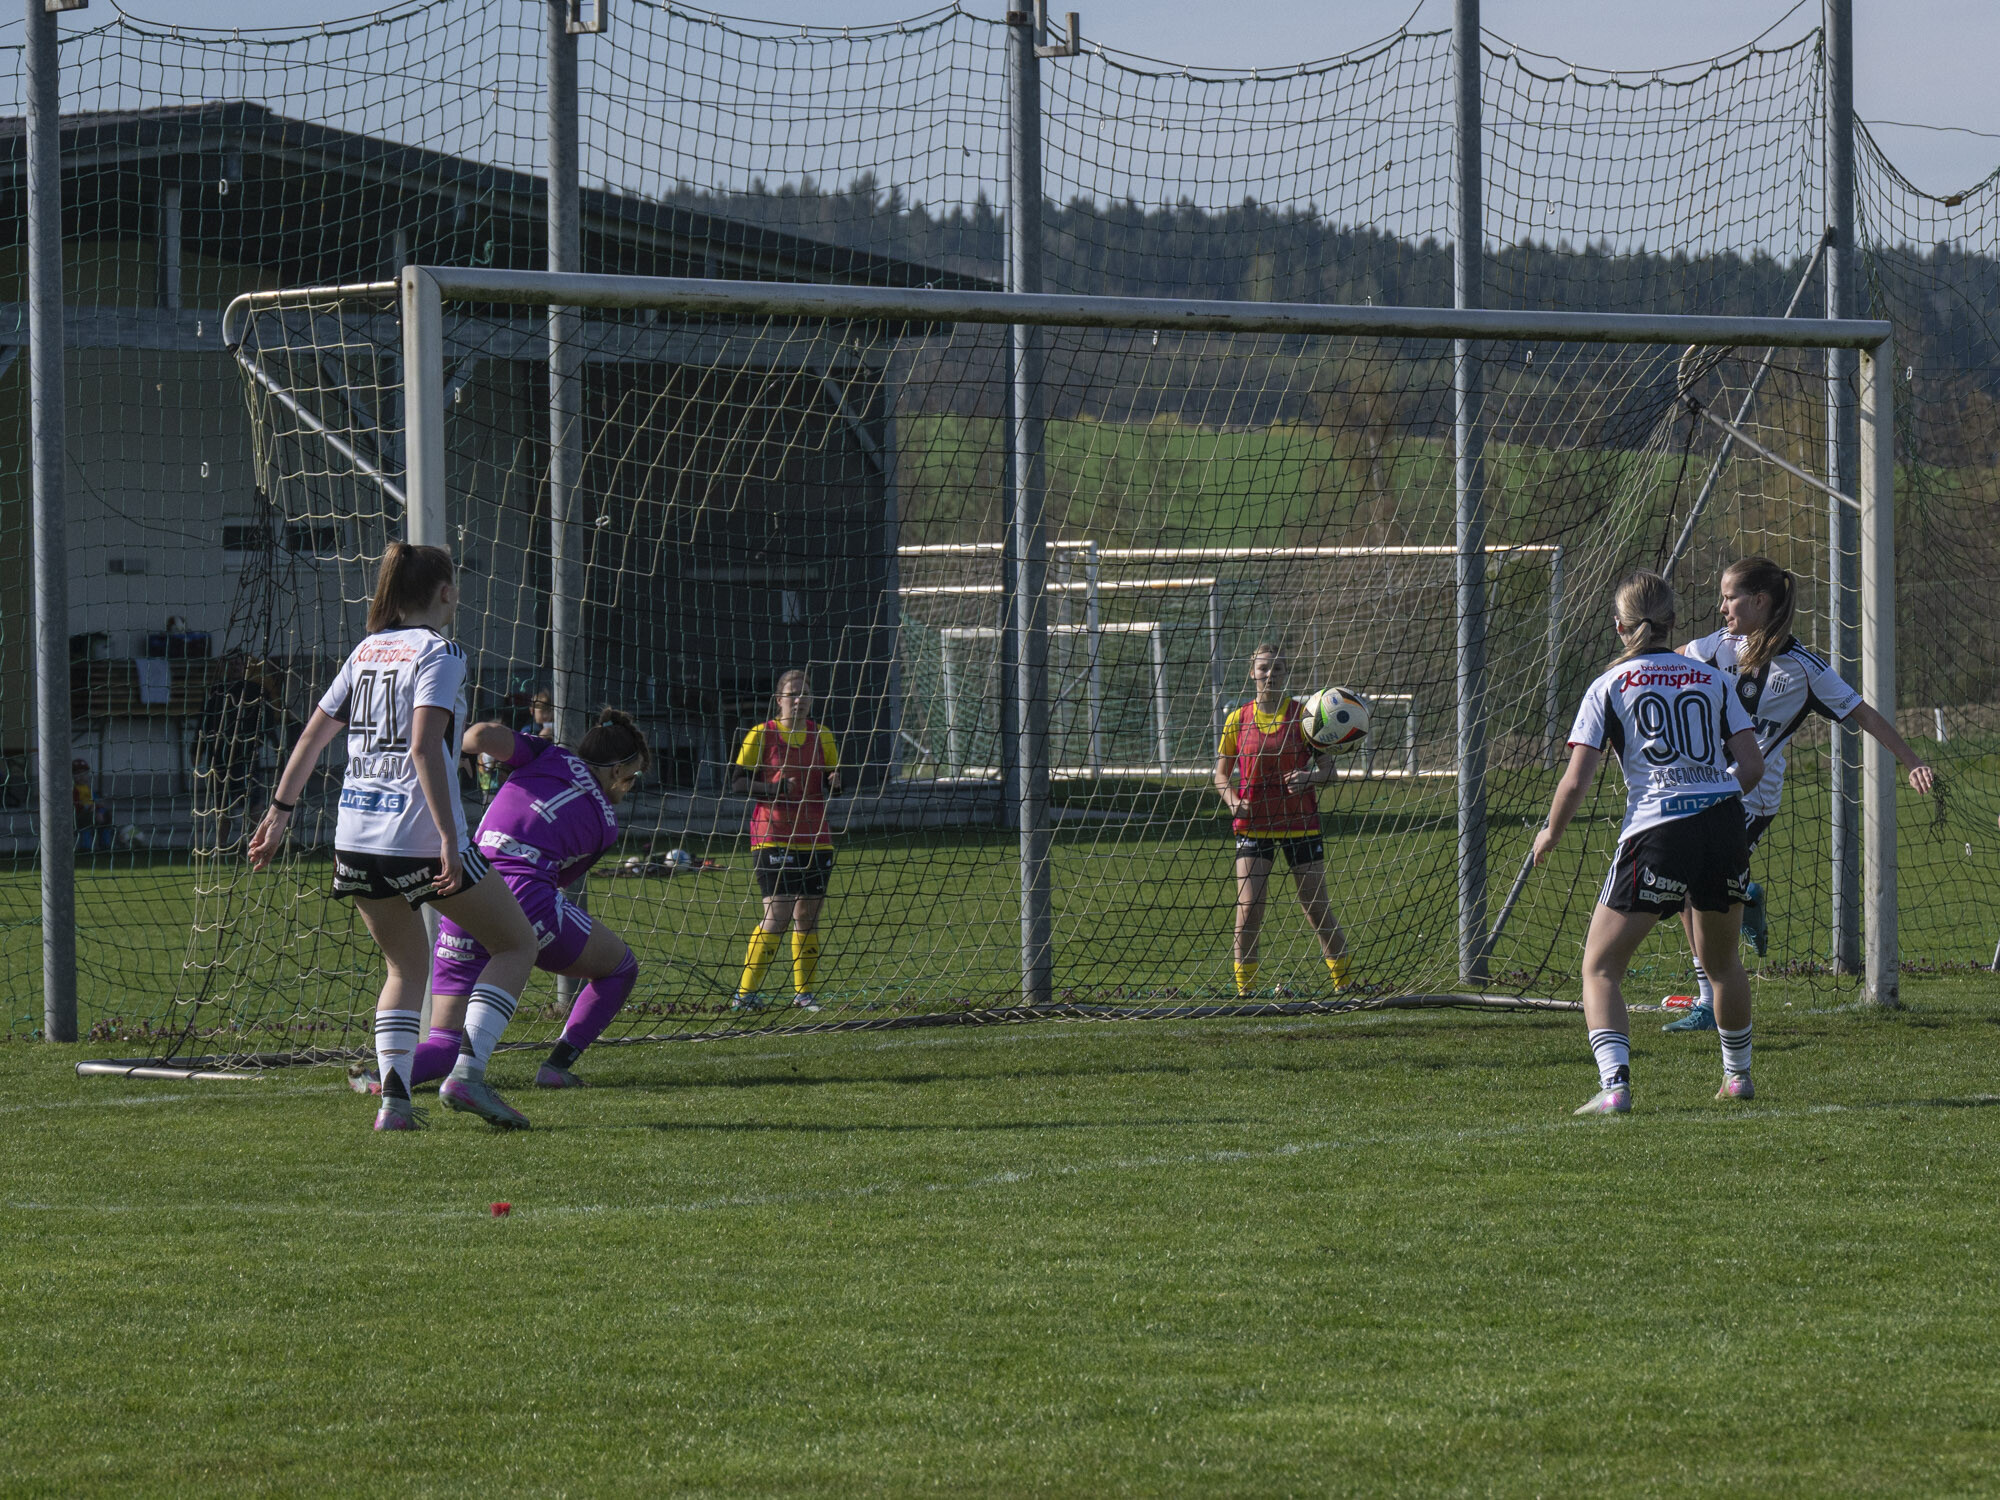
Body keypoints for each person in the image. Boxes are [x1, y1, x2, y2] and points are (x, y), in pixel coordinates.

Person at [247, 542, 540, 1132]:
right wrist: (450, 838)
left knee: (404, 969)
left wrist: (279, 811)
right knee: (516, 945)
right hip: (417, 835)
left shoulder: (366, 650)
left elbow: (311, 738)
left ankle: (395, 1106)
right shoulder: (440, 652)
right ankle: (467, 1075)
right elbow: (424, 747)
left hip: (356, 837)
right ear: (446, 593)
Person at [1660, 555, 1935, 1033]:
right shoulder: (1719, 645)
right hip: (1710, 788)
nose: (1722, 607)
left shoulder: (1805, 669)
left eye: (1729, 598)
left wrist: (1912, 761)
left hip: (1752, 797)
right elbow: (1671, 658)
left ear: (1760, 601)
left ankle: (1709, 997)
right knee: (1692, 886)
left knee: (1692, 885)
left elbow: (1863, 714)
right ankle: (1742, 898)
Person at [1532, 571, 1766, 1115]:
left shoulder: (1608, 685)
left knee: (1600, 968)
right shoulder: (1714, 679)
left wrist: (1551, 832)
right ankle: (1737, 1077)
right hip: (1724, 823)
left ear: (1619, 626)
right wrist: (1712, 795)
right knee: (1723, 964)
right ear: (1673, 623)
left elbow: (1576, 780)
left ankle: (1615, 1086)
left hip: (1658, 829)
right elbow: (1752, 766)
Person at [361, 709, 651, 1096]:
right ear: (616, 771)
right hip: (524, 898)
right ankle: (555, 1066)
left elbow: (479, 735)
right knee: (620, 968)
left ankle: (380, 1078)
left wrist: (452, 753)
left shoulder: (546, 753)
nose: (628, 788)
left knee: (445, 1043)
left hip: (466, 888)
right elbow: (554, 880)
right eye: (632, 778)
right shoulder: (605, 824)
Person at [1213, 642, 1351, 998]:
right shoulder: (1237, 719)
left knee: (1315, 907)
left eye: (1277, 668)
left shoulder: (1305, 717)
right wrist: (1233, 801)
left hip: (1300, 822)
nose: (1270, 674)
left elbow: (1329, 772)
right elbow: (1220, 776)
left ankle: (1345, 983)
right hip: (1254, 824)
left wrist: (1309, 777)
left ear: (1286, 673)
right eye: (1263, 668)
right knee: (1249, 908)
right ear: (1252, 672)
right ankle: (1245, 991)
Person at [730, 669, 842, 1013]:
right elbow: (737, 782)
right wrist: (774, 789)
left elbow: (830, 781)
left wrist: (835, 782)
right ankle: (744, 994)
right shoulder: (761, 734)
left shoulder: (822, 735)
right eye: (792, 694)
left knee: (807, 916)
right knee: (777, 915)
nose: (799, 700)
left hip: (816, 837)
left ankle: (804, 994)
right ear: (778, 700)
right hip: (772, 835)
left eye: (805, 694)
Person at [195, 654, 285, 852]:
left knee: (254, 803)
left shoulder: (256, 691)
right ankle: (221, 847)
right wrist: (197, 750)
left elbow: (269, 723)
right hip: (220, 758)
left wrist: (275, 747)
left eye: (239, 663)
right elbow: (203, 722)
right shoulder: (215, 691)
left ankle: (254, 844)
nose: (236, 667)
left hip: (247, 756)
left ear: (246, 666)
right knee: (222, 806)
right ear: (224, 667)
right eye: (232, 663)